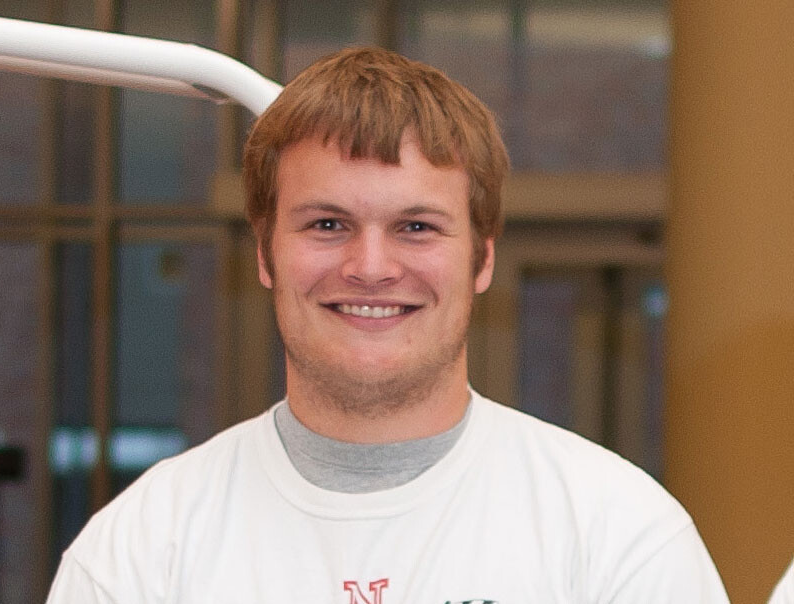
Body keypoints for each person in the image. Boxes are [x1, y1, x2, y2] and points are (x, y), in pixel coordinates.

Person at [46, 47, 729, 603]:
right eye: (327, 224)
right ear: (264, 254)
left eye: (416, 227)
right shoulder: (142, 549)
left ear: (482, 258)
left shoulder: (617, 535)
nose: (370, 267)